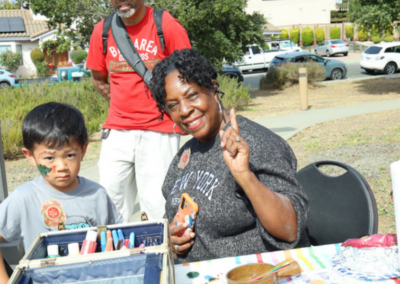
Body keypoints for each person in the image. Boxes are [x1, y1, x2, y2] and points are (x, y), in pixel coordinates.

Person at [150, 49, 310, 263]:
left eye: (192, 95)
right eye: (173, 105)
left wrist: (244, 176)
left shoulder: (256, 143)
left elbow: (290, 229)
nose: (185, 110)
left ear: (213, 90)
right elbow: (172, 212)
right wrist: (169, 239)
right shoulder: (185, 154)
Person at [86, 0, 191, 222]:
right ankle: (116, 256)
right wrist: (122, 104)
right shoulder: (102, 31)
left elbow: (189, 74)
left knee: (158, 207)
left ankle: (161, 254)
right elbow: (98, 79)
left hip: (160, 130)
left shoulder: (166, 25)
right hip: (118, 130)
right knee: (109, 205)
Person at [0, 102, 123, 283]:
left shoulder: (97, 194)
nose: (62, 167)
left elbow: (118, 239)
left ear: (83, 150)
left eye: (70, 155)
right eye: (49, 158)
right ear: (30, 156)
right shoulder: (24, 197)